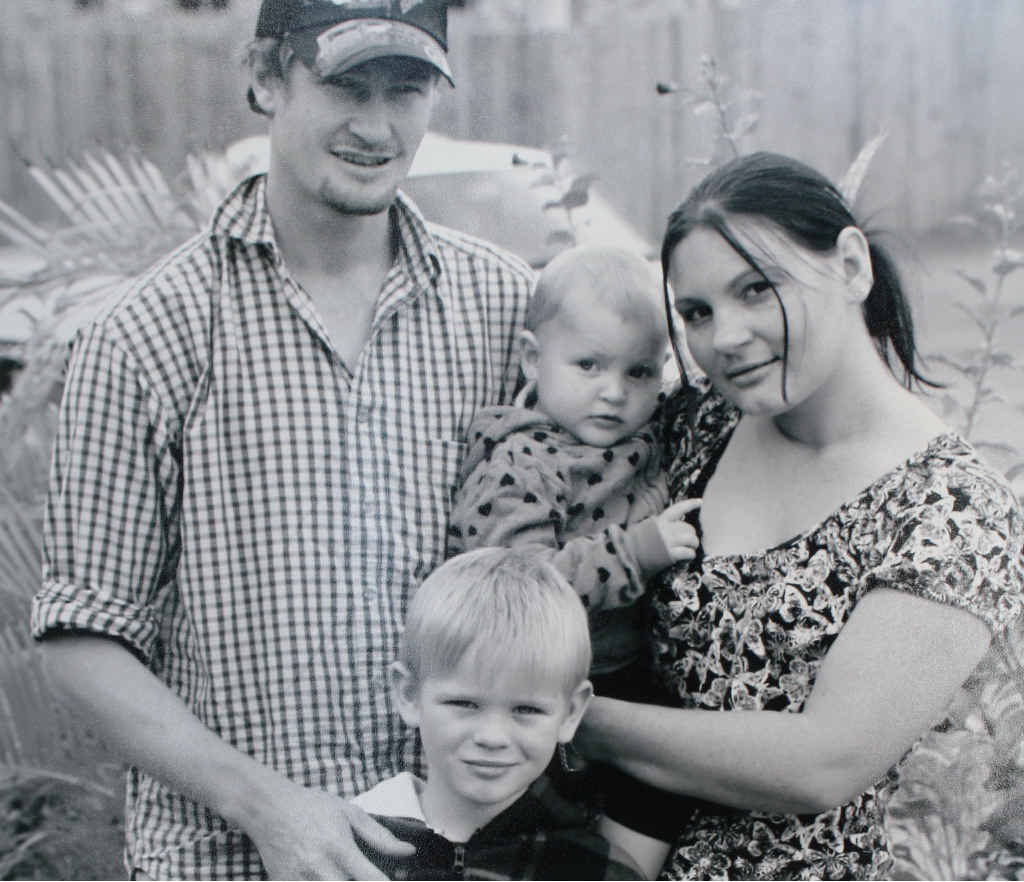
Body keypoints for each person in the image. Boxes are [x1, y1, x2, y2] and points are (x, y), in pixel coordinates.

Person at [30, 1, 534, 878]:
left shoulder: (503, 309)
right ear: (266, 77)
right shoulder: (148, 333)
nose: (377, 127)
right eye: (345, 85)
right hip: (224, 862)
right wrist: (267, 806)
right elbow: (82, 641)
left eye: (406, 88)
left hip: (464, 858)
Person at [574, 151, 1024, 879]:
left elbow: (825, 762)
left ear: (850, 265)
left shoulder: (951, 510)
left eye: (758, 289)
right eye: (697, 312)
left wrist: (568, 718)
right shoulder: (701, 429)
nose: (724, 336)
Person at [448, 244, 701, 690]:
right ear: (532, 359)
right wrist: (635, 554)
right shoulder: (522, 463)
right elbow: (520, 591)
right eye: (589, 365)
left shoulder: (650, 430)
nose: (614, 392)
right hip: (537, 684)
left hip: (634, 670)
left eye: (638, 372)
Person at [352, 547, 645, 880]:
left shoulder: (594, 870)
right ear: (408, 694)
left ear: (570, 713)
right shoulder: (347, 845)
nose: (492, 737)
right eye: (464, 704)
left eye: (526, 709)